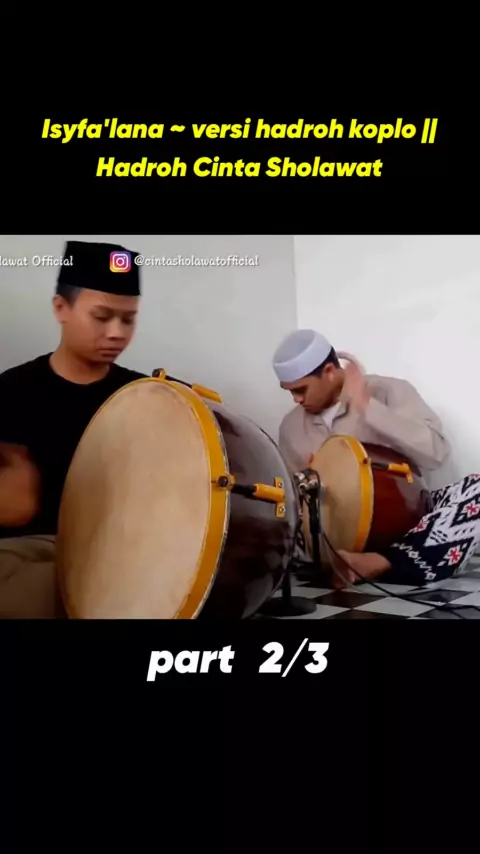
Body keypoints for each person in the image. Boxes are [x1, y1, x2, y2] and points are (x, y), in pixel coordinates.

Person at [0, 240, 147, 617]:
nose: (116, 333)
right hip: (29, 553)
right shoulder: (10, 393)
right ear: (60, 308)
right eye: (101, 316)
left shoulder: (150, 398)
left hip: (124, 552)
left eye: (128, 319)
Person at [272, 328, 480, 588]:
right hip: (331, 536)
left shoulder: (388, 391)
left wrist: (370, 409)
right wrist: (310, 479)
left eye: (301, 389)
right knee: (270, 521)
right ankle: (359, 562)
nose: (296, 399)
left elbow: (436, 453)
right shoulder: (291, 427)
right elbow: (294, 504)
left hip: (410, 521)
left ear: (329, 371)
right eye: (290, 392)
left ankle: (381, 562)